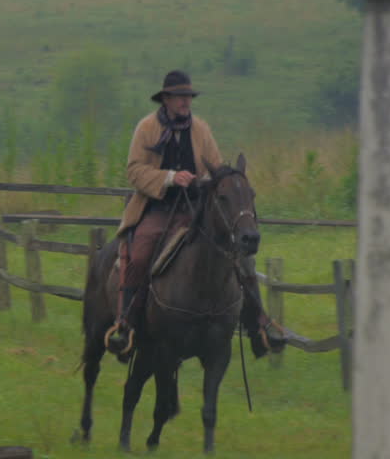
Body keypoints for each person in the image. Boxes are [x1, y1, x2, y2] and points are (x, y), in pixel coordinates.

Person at [110, 70, 285, 357]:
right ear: (166, 99)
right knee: (139, 254)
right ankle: (126, 325)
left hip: (195, 210)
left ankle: (259, 326)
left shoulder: (201, 129)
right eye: (180, 97)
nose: (185, 102)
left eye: (188, 97)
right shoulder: (146, 128)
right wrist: (170, 177)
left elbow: (215, 168)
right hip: (157, 208)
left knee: (239, 256)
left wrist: (216, 180)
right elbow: (134, 171)